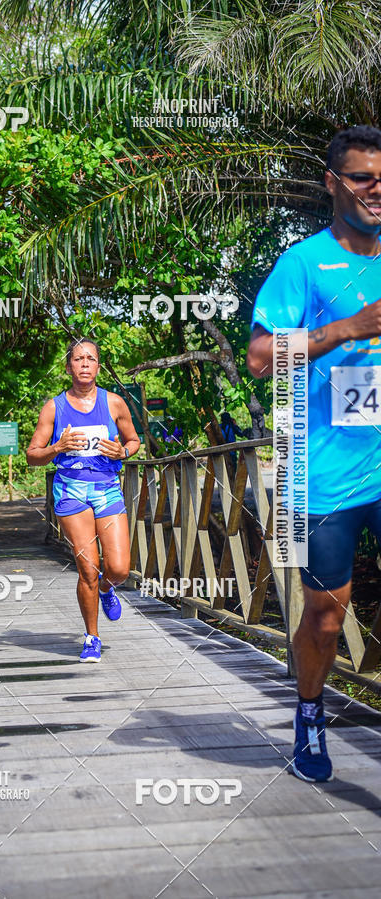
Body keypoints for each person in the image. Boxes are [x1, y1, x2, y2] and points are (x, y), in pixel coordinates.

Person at [247, 125, 381, 782]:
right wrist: (347, 329)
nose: (376, 189)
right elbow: (259, 357)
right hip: (321, 474)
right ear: (332, 183)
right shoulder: (302, 264)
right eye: (362, 178)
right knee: (326, 619)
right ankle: (308, 711)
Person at [27, 338, 140, 662]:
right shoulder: (54, 407)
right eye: (78, 359)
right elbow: (32, 456)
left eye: (91, 358)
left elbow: (133, 441)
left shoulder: (114, 403)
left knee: (118, 569)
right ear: (69, 367)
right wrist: (57, 448)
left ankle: (107, 588)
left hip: (107, 488)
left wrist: (122, 451)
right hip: (71, 491)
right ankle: (92, 637)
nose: (85, 364)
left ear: (98, 367)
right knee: (88, 569)